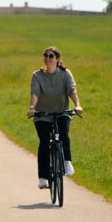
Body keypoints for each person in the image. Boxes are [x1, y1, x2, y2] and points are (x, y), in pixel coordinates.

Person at [26, 46, 83, 189]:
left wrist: (77, 105)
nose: (47, 58)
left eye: (51, 56)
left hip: (61, 112)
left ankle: (66, 162)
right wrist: (32, 108)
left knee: (63, 134)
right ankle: (43, 177)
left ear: (57, 59)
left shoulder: (65, 74)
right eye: (45, 55)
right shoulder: (37, 75)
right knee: (44, 142)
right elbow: (35, 92)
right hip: (42, 115)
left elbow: (71, 89)